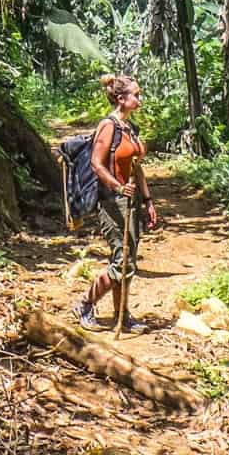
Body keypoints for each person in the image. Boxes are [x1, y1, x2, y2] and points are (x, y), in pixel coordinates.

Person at [75, 73, 160, 330]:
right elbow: (96, 164)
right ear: (122, 99)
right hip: (113, 201)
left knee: (128, 259)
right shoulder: (108, 126)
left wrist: (148, 201)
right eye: (136, 94)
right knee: (122, 262)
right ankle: (85, 303)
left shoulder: (130, 129)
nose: (140, 98)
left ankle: (122, 315)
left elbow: (137, 168)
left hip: (131, 201)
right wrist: (118, 186)